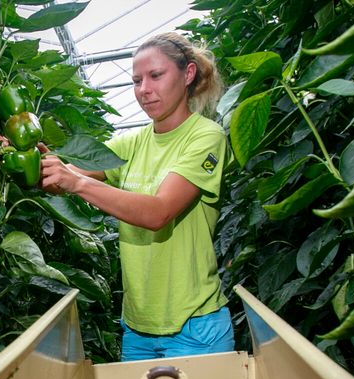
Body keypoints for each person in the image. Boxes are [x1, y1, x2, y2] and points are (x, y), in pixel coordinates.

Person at [40, 31, 234, 361]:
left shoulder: (206, 136)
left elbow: (158, 212)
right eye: (136, 81)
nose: (144, 90)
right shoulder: (131, 144)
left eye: (156, 76)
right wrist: (19, 157)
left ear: (187, 74)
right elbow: (63, 176)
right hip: (137, 330)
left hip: (194, 327)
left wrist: (76, 182)